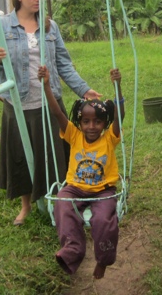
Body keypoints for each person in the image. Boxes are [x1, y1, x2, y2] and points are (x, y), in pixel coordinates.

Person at [0, 0, 101, 226]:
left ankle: (62, 203)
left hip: (50, 102)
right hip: (18, 104)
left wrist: (83, 90)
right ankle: (26, 206)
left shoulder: (50, 26)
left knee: (56, 157)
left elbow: (63, 63)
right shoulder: (1, 26)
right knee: (21, 156)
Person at [38, 64, 124, 280]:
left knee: (103, 220)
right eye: (86, 122)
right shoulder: (74, 135)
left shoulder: (109, 138)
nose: (91, 126)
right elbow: (57, 112)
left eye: (97, 122)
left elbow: (119, 117)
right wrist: (46, 85)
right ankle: (73, 250)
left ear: (105, 123)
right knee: (62, 203)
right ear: (79, 122)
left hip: (104, 190)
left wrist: (117, 86)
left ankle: (103, 260)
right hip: (75, 188)